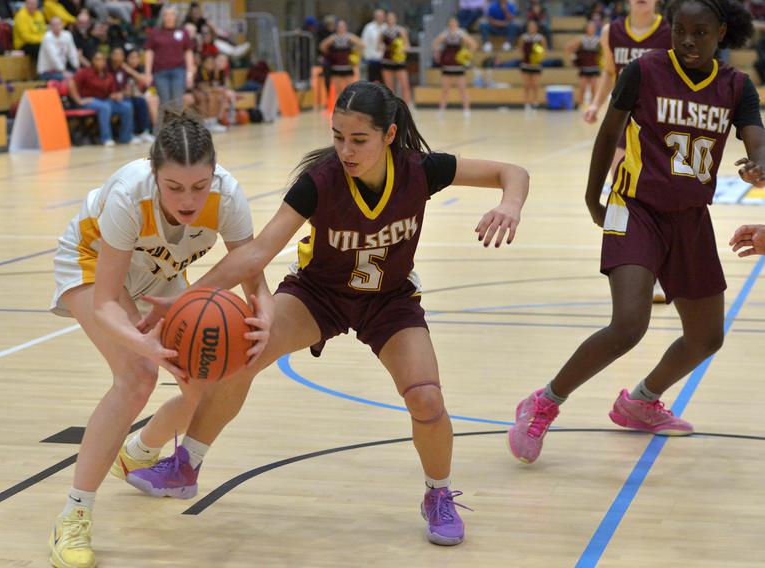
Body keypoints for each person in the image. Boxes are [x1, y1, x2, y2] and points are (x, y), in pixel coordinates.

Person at [121, 81, 530, 547]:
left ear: (390, 135)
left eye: (359, 140)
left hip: (389, 299)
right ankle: (184, 466)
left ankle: (438, 495)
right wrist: (186, 297)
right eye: (338, 137)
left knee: (427, 400)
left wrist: (510, 204)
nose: (345, 150)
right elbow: (257, 253)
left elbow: (511, 171)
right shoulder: (320, 181)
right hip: (318, 294)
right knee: (243, 352)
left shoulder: (421, 169)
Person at [507, 0, 765, 464]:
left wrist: (760, 163)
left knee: (707, 336)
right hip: (636, 207)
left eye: (700, 32)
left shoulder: (736, 85)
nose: (688, 41)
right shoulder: (645, 70)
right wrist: (592, 196)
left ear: (721, 32)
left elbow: (755, 136)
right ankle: (543, 402)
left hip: (690, 217)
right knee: (629, 324)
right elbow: (610, 132)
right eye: (680, 30)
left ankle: (640, 402)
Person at [47, 110, 273, 568]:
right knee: (137, 376)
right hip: (93, 263)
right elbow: (109, 300)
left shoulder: (227, 197)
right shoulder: (131, 195)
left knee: (204, 380)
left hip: (159, 273)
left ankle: (138, 453)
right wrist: (143, 344)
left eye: (199, 185)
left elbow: (256, 284)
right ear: (155, 175)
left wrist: (264, 316)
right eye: (174, 187)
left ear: (214, 175)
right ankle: (74, 514)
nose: (189, 199)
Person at [584, 0, 672, 302]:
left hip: (659, 124)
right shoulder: (613, 32)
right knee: (630, 199)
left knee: (657, 200)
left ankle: (661, 271)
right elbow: (609, 72)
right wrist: (596, 104)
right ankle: (641, 274)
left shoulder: (670, 30)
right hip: (623, 121)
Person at [67, 50, 133, 146]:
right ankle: (106, 139)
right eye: (97, 59)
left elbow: (112, 92)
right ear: (92, 61)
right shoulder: (85, 72)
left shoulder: (108, 75)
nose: (100, 62)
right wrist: (79, 100)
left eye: (102, 59)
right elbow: (71, 83)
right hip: (89, 101)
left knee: (127, 107)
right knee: (104, 107)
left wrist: (116, 95)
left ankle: (126, 138)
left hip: (105, 101)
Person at [144, 5, 195, 123]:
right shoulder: (155, 32)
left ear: (176, 16)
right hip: (160, 72)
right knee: (165, 102)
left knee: (177, 102)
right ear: (162, 16)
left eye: (172, 14)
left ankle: (177, 130)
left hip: (179, 71)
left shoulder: (183, 31)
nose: (169, 17)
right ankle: (165, 130)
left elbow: (188, 53)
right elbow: (149, 52)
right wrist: (147, 73)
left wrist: (190, 73)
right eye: (166, 14)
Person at [433, 17, 477, 116]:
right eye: (451, 23)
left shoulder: (461, 34)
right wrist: (437, 53)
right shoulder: (444, 34)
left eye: (454, 22)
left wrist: (467, 55)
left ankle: (466, 110)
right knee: (445, 89)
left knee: (462, 89)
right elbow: (435, 44)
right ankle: (442, 110)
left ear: (457, 24)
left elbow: (473, 44)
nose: (453, 24)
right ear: (449, 24)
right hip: (447, 64)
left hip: (458, 64)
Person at [319, 19, 364, 101]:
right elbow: (322, 46)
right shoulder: (333, 37)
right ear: (336, 28)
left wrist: (355, 54)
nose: (341, 28)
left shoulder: (349, 37)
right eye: (339, 26)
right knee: (338, 91)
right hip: (336, 67)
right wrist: (329, 54)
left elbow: (362, 45)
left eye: (343, 26)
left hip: (347, 66)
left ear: (346, 27)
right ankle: (339, 109)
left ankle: (348, 109)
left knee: (350, 90)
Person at [380, 12, 413, 106]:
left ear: (395, 19)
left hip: (399, 61)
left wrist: (401, 49)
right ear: (386, 19)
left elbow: (407, 46)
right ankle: (392, 107)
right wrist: (382, 46)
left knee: (405, 85)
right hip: (387, 61)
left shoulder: (401, 30)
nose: (390, 20)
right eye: (389, 18)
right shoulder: (383, 31)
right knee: (389, 87)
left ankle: (408, 106)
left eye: (392, 18)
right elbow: (379, 44)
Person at [566, 20, 601, 108]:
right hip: (584, 67)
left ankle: (593, 106)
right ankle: (580, 106)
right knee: (582, 88)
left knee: (594, 88)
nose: (591, 29)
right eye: (589, 27)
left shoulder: (598, 40)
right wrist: (573, 57)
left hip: (594, 67)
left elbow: (605, 50)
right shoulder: (581, 39)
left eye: (592, 27)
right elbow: (568, 47)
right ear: (586, 29)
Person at [38, 16, 78, 81]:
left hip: (61, 70)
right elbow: (53, 57)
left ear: (62, 25)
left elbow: (72, 53)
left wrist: (77, 67)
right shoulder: (47, 37)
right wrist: (63, 71)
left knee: (81, 76)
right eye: (54, 25)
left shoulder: (67, 35)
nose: (56, 27)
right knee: (68, 79)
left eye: (58, 24)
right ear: (50, 27)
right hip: (47, 71)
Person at [518, 19, 547, 112]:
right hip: (526, 64)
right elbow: (520, 49)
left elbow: (544, 51)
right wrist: (523, 58)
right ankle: (526, 102)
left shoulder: (541, 38)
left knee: (535, 84)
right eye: (530, 26)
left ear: (536, 28)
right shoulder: (523, 37)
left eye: (533, 26)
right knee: (526, 84)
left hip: (536, 64)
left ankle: (535, 102)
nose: (532, 28)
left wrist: (538, 57)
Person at [361, 8, 386, 83]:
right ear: (374, 17)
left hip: (385, 60)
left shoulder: (386, 27)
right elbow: (364, 43)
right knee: (372, 84)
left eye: (382, 16)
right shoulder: (369, 27)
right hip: (372, 60)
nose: (380, 18)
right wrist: (367, 57)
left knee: (385, 84)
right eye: (378, 16)